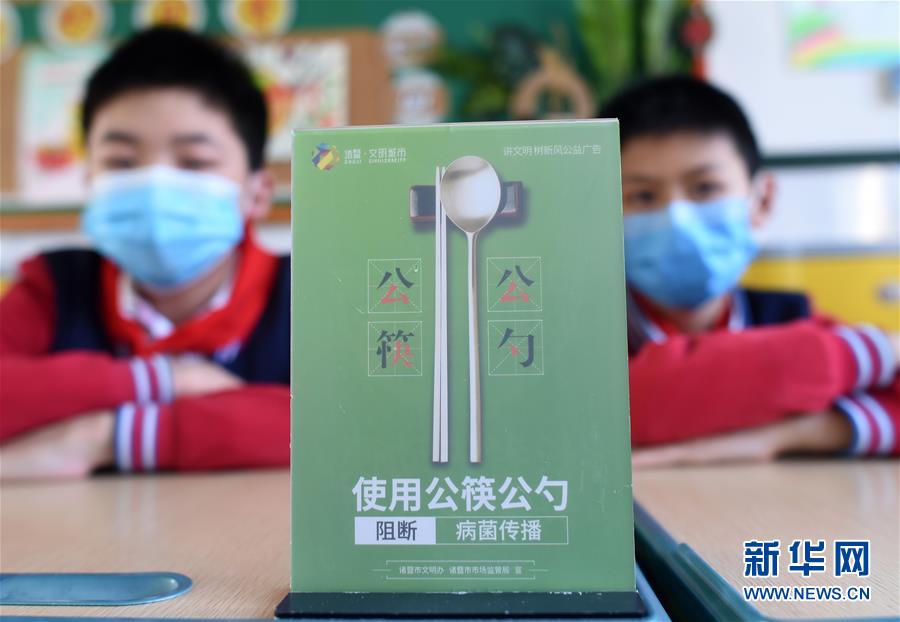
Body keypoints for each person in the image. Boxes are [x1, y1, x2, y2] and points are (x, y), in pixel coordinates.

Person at [0, 27, 289, 479]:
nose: (155, 184)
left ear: (258, 192)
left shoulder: (309, 293)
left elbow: (352, 420)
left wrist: (109, 437)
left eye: (194, 162)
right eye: (121, 162)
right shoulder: (54, 285)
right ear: (89, 182)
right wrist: (162, 379)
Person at [599, 76, 899, 466]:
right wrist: (875, 349)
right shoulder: (587, 336)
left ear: (762, 200)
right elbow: (614, 405)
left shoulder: (787, 315)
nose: (678, 218)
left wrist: (792, 435)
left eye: (705, 188)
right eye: (642, 195)